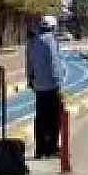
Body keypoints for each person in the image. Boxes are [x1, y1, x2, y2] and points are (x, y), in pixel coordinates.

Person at [24, 16, 66, 159]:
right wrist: (59, 84)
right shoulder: (51, 41)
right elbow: (55, 64)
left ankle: (40, 149)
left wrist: (30, 80)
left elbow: (29, 63)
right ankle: (52, 148)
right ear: (52, 27)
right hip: (52, 85)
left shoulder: (32, 41)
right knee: (54, 118)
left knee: (41, 118)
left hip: (39, 86)